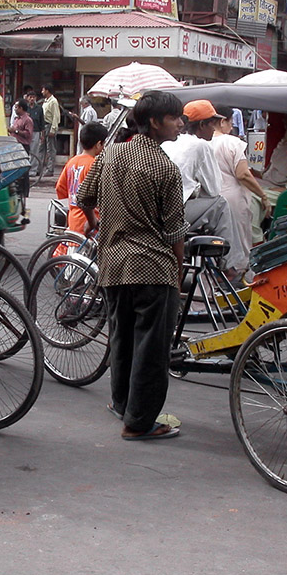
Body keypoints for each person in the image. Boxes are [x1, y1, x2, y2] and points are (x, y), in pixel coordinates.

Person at [76, 91, 186, 441]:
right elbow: (174, 232)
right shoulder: (165, 168)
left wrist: (97, 225)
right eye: (174, 118)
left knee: (122, 338)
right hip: (153, 267)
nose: (180, 124)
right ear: (154, 123)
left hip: (113, 265)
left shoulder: (110, 154)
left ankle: (122, 404)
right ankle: (138, 422)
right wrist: (178, 270)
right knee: (151, 348)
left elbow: (83, 198)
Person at [161, 99, 247, 275]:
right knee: (220, 203)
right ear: (202, 125)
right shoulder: (200, 145)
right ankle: (228, 267)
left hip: (159, 209)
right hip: (174, 212)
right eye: (212, 125)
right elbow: (214, 188)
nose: (213, 130)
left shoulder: (169, 142)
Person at [211, 120, 270, 276]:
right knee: (239, 240)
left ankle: (223, 275)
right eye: (231, 123)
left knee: (219, 240)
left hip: (212, 198)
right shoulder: (232, 142)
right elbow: (243, 174)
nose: (232, 127)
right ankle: (239, 275)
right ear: (223, 121)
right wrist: (263, 196)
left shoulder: (202, 143)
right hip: (233, 198)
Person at [56, 121, 107, 239]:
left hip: (73, 220)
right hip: (90, 221)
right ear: (98, 144)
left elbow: (61, 188)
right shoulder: (95, 164)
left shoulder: (72, 162)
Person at [39, 83, 60, 177]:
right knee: (41, 148)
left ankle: (50, 169)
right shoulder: (45, 101)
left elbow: (56, 116)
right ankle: (39, 168)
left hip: (50, 125)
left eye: (43, 90)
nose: (42, 92)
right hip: (44, 126)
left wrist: (53, 129)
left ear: (47, 90)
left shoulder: (53, 101)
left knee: (50, 149)